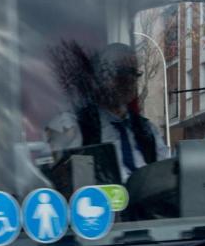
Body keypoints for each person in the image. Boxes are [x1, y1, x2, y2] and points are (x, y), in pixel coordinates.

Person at [45, 42, 169, 183]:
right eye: (121, 73)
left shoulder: (148, 131)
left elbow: (164, 178)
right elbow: (73, 184)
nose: (129, 80)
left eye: (134, 73)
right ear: (101, 78)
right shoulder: (77, 127)